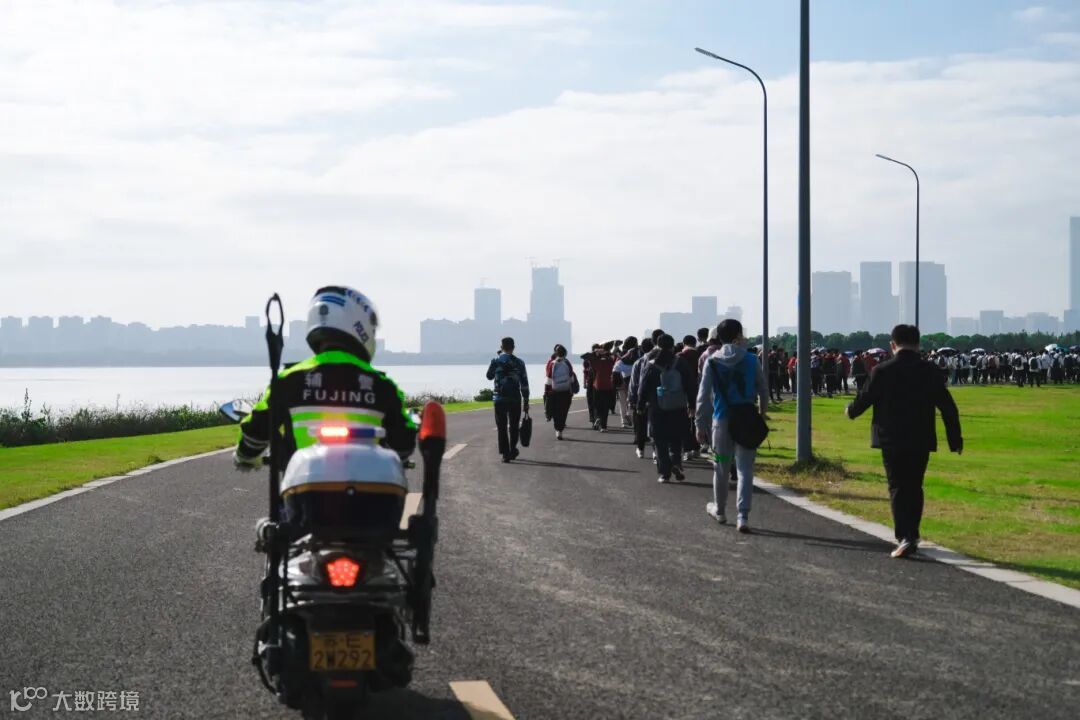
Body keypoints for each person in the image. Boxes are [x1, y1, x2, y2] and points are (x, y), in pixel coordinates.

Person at [235, 285, 417, 473]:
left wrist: (244, 456)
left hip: (303, 484)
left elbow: (256, 431)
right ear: (361, 326)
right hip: (367, 485)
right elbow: (404, 444)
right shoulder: (383, 386)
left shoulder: (288, 379)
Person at [845, 324, 963, 558]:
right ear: (918, 344)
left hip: (891, 437)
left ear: (893, 345)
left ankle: (905, 536)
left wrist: (851, 411)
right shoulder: (930, 370)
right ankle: (912, 533)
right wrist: (955, 439)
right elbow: (948, 407)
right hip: (920, 436)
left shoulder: (882, 370)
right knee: (915, 485)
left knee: (897, 486)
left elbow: (865, 398)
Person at [696, 319, 768, 532]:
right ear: (738, 336)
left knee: (721, 466)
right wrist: (762, 413)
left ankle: (719, 510)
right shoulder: (751, 359)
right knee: (745, 469)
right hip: (746, 419)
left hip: (721, 421)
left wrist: (700, 424)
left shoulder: (712, 361)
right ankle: (742, 516)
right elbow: (763, 389)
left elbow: (703, 396)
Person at [638, 334, 693, 483]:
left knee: (659, 440)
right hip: (678, 406)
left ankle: (664, 473)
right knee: (675, 438)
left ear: (657, 345)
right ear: (672, 346)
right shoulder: (680, 362)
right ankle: (675, 461)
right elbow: (690, 384)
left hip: (657, 407)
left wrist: (640, 405)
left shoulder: (651, 364)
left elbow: (643, 387)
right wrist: (692, 404)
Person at [486, 337, 530, 462]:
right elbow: (524, 383)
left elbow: (489, 376)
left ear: (501, 347)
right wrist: (526, 400)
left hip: (499, 398)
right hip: (515, 398)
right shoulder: (519, 363)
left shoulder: (496, 361)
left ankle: (505, 454)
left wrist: (494, 362)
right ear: (513, 347)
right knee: (514, 426)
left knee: (502, 427)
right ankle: (512, 449)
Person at [628, 338, 655, 459]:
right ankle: (655, 451)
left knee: (640, 425)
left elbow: (633, 383)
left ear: (642, 349)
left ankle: (640, 449)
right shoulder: (657, 361)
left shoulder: (638, 362)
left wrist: (632, 399)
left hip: (640, 398)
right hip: (655, 398)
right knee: (654, 425)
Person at [546, 344, 576, 440]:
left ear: (556, 353)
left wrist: (547, 391)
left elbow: (549, 379)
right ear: (565, 353)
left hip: (555, 391)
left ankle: (557, 429)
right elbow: (571, 378)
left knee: (556, 412)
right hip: (566, 391)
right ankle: (560, 430)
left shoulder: (552, 363)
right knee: (563, 411)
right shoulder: (567, 363)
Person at [589, 343, 616, 431]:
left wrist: (596, 352)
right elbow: (614, 359)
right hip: (608, 385)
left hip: (597, 385)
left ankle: (598, 417)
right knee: (605, 407)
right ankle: (603, 426)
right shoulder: (610, 361)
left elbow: (591, 359)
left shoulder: (597, 362)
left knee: (597, 405)